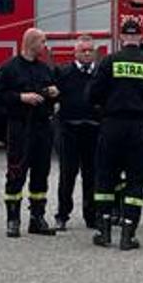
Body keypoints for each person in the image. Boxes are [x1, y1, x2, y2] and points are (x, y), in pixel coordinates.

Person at [90, 19, 143, 251]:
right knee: (136, 180)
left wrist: (105, 109)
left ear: (121, 37)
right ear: (141, 38)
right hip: (140, 128)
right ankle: (128, 234)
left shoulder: (109, 62)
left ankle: (103, 232)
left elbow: (93, 94)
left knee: (105, 176)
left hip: (112, 125)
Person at [0, 28, 59, 238]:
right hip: (20, 127)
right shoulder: (10, 68)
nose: (45, 47)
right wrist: (21, 97)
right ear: (31, 43)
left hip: (42, 127)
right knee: (16, 172)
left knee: (41, 173)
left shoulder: (44, 69)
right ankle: (13, 220)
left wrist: (53, 94)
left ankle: (37, 219)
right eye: (43, 42)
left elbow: (51, 92)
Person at [52, 35, 102, 231]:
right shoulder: (63, 72)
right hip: (69, 129)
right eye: (84, 51)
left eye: (90, 50)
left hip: (93, 129)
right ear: (76, 52)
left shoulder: (100, 73)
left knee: (92, 175)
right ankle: (62, 215)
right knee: (67, 174)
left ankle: (91, 216)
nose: (87, 54)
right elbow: (53, 96)